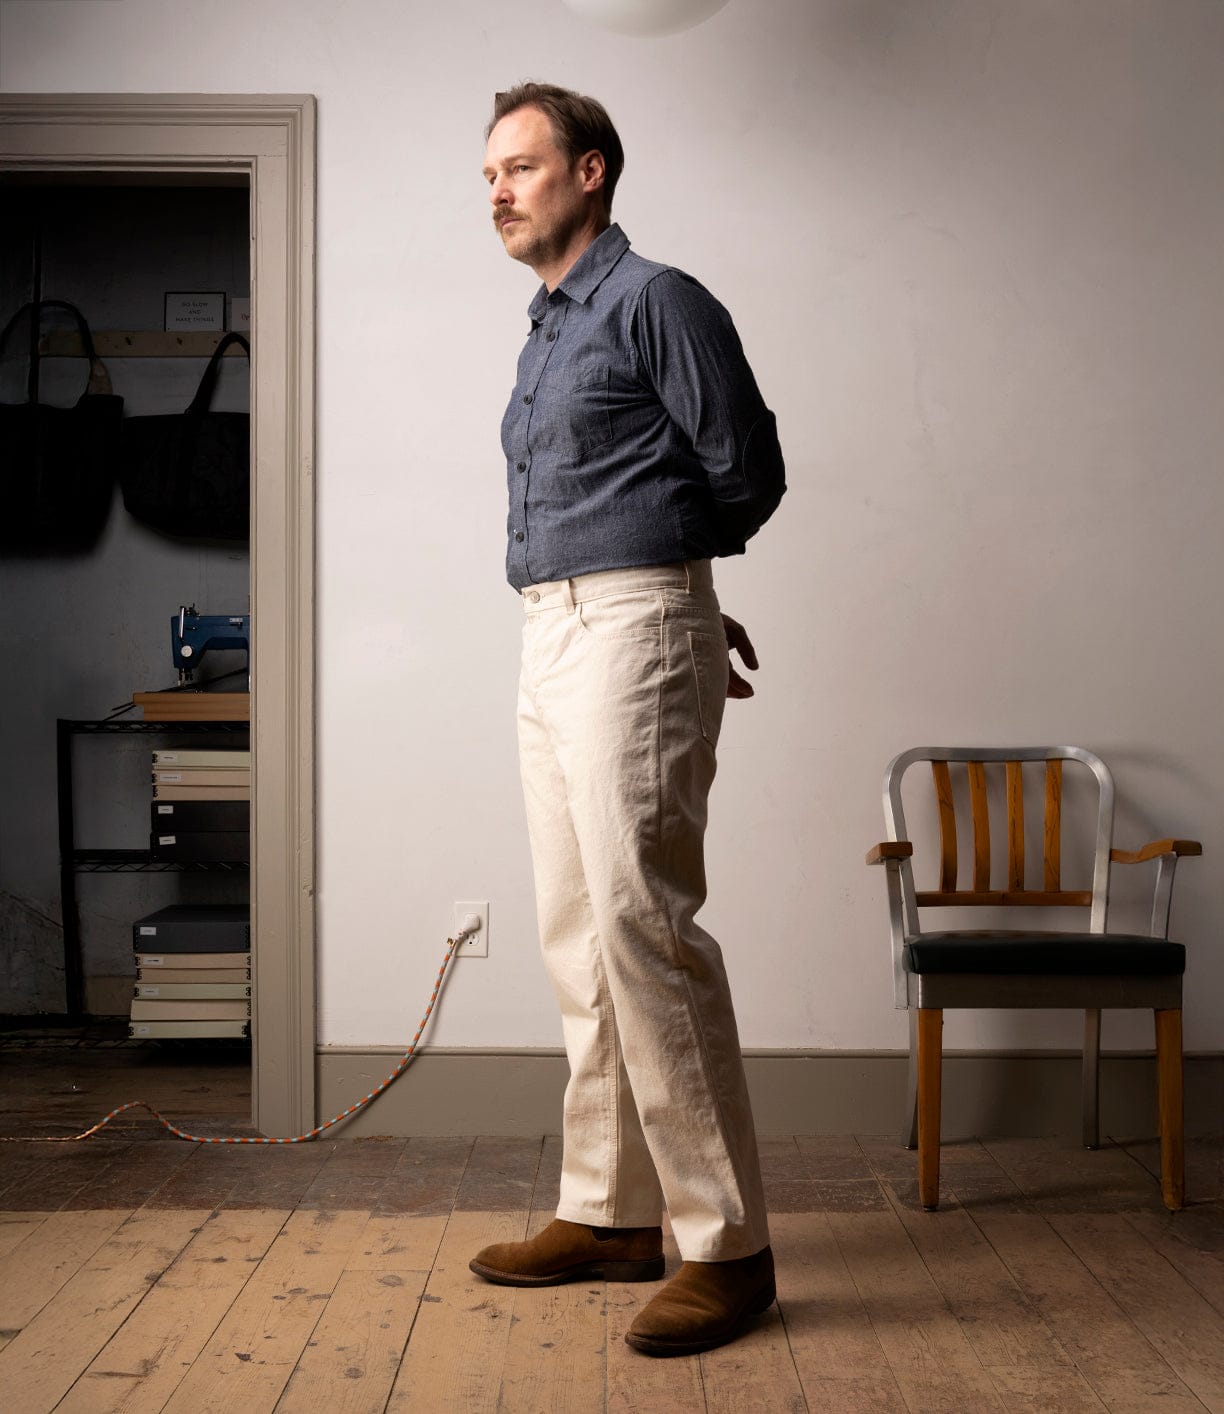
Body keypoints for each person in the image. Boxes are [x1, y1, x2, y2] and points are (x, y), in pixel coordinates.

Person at [470, 81, 786, 1358]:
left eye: (520, 166)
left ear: (590, 172)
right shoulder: (545, 327)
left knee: (645, 927)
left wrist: (679, 598)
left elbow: (745, 470)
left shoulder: (658, 299)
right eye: (487, 172)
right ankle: (608, 1214)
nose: (496, 189)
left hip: (626, 626)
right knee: (576, 933)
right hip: (551, 630)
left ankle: (729, 1247)